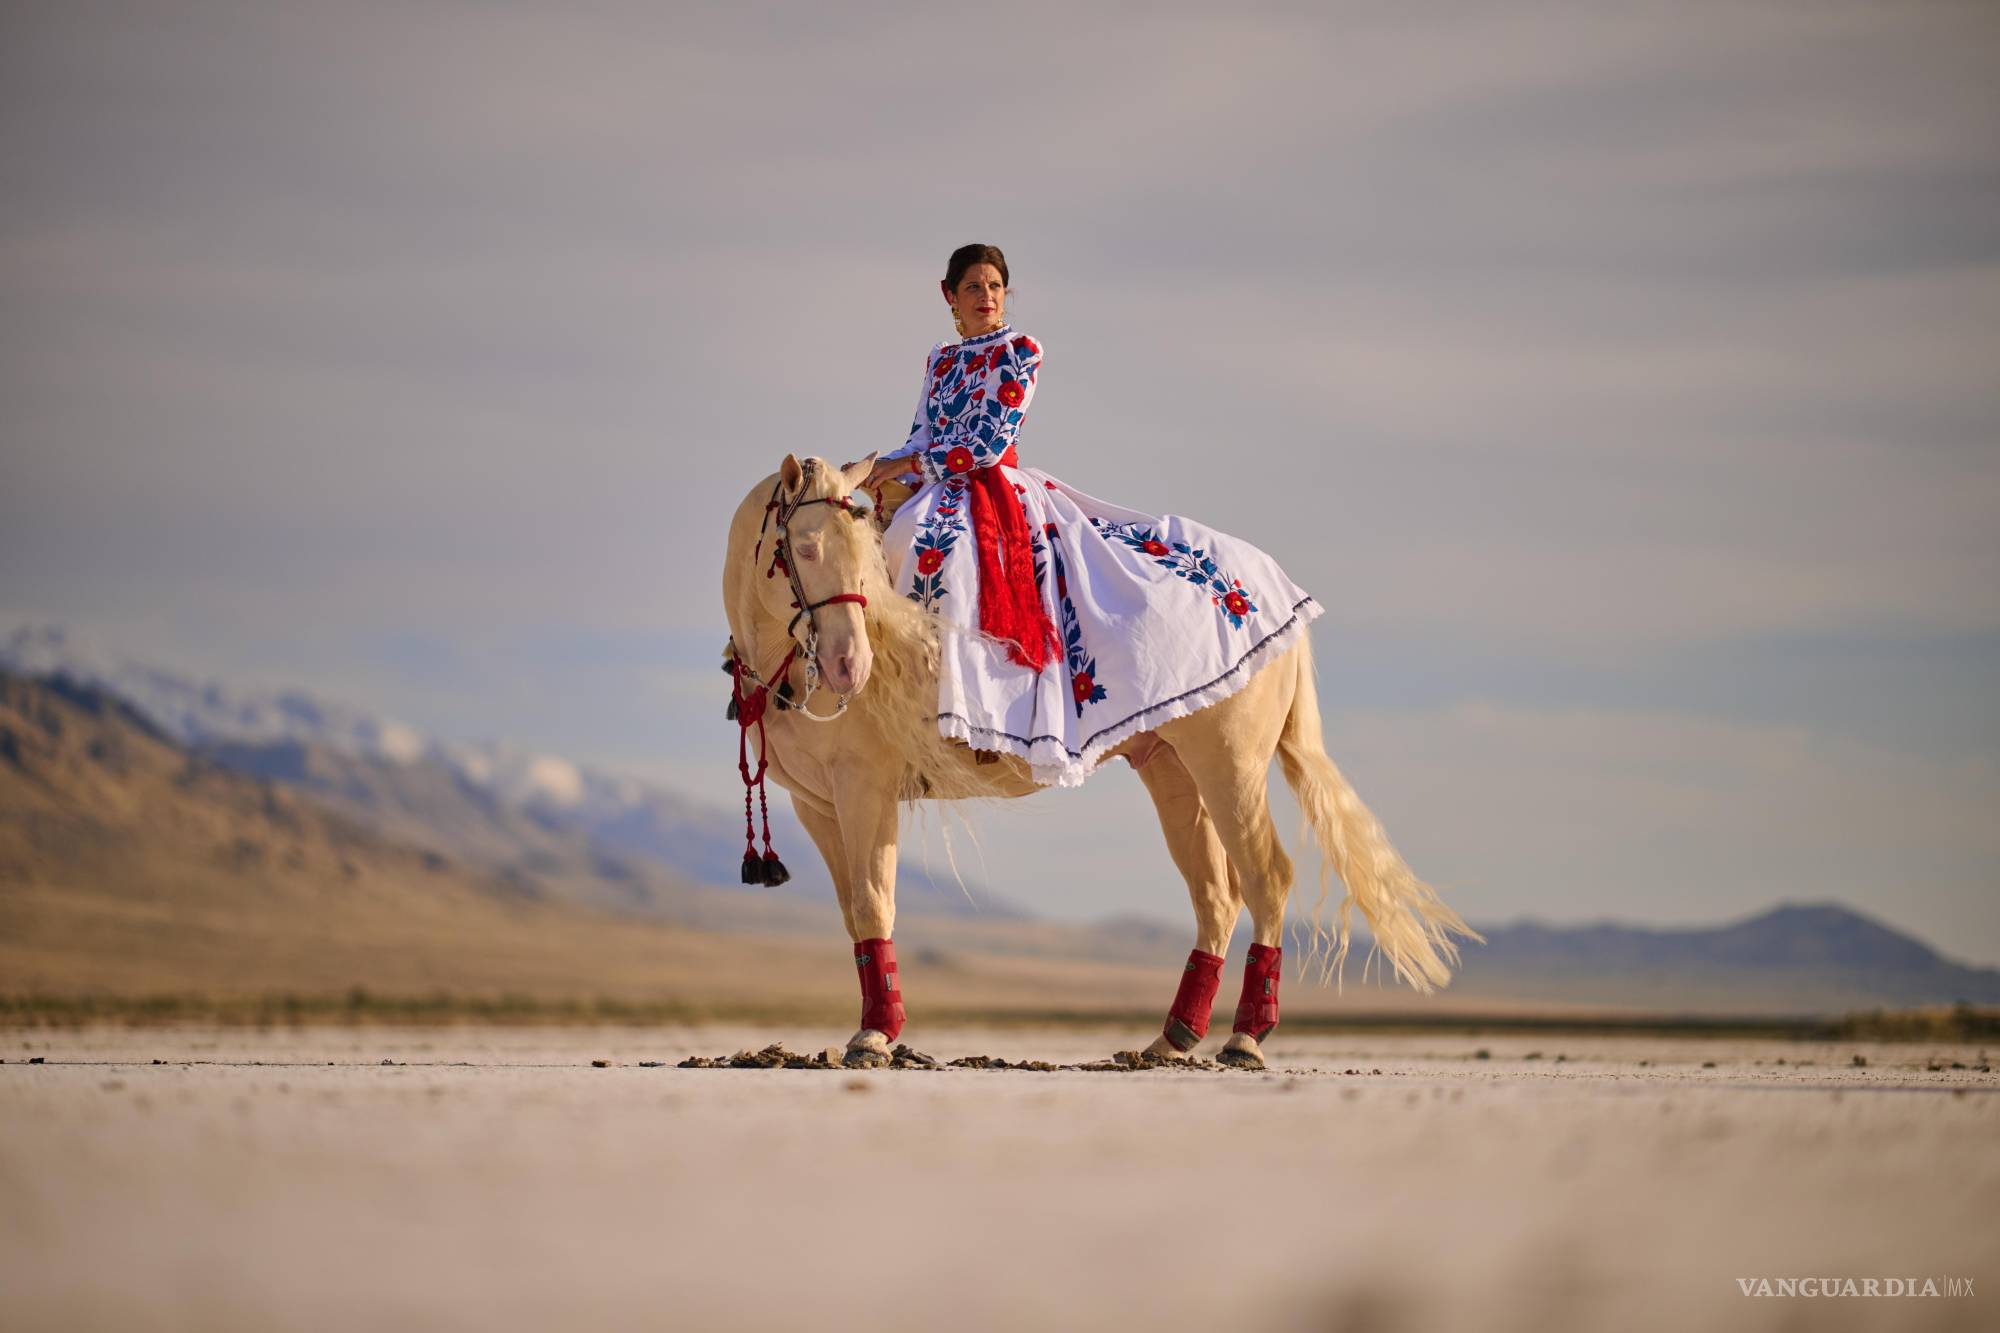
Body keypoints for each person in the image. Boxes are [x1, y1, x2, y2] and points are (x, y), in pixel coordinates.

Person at [856, 243, 1322, 788]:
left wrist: (908, 465)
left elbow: (987, 442)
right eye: (973, 288)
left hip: (992, 487)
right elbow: (923, 431)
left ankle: (980, 713)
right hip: (937, 482)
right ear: (949, 297)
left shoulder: (1020, 352)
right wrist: (878, 470)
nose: (986, 297)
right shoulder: (940, 360)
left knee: (941, 549)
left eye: (994, 287)